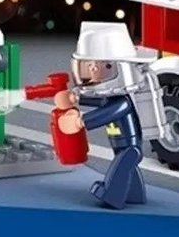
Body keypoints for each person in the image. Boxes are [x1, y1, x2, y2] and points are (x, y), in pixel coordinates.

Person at [54, 22, 166, 208]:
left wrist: (80, 122)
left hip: (129, 146)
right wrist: (75, 98)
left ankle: (111, 195)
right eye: (87, 66)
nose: (93, 71)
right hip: (121, 144)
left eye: (101, 66)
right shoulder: (111, 97)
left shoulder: (122, 102)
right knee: (127, 169)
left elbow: (106, 113)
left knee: (120, 167)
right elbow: (99, 102)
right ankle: (135, 195)